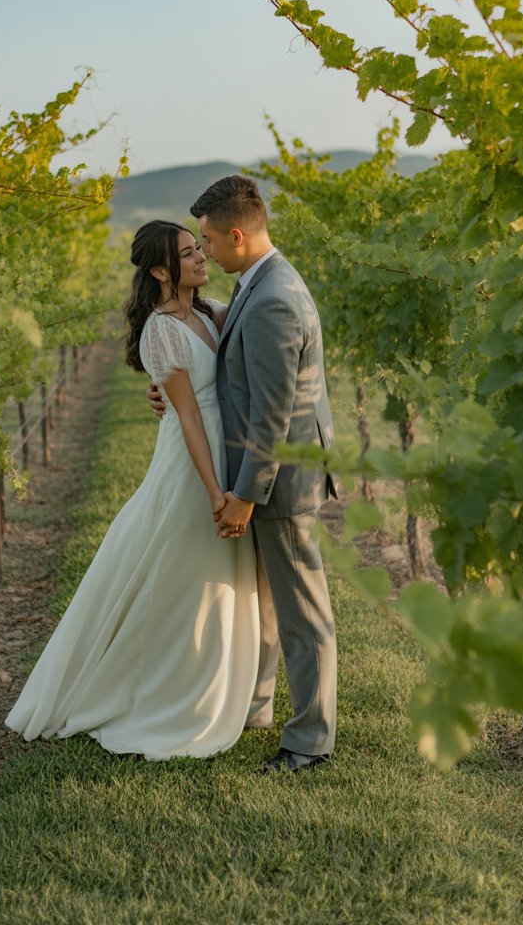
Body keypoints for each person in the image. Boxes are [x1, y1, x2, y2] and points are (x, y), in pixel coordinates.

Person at [5, 220, 259, 760]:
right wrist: (214, 489)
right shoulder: (161, 329)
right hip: (193, 462)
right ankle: (163, 689)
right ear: (161, 270)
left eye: (199, 250)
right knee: (184, 569)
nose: (200, 259)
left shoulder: (212, 313)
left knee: (209, 575)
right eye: (188, 254)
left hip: (224, 448)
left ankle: (213, 678)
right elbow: (188, 414)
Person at [148, 176, 338, 773]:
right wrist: (176, 390)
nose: (202, 252)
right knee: (268, 604)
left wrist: (247, 497)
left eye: (206, 240)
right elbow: (220, 350)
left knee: (303, 614)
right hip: (271, 473)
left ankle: (309, 741)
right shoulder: (258, 284)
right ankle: (257, 709)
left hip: (280, 479)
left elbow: (272, 414)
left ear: (236, 234)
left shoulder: (274, 296)